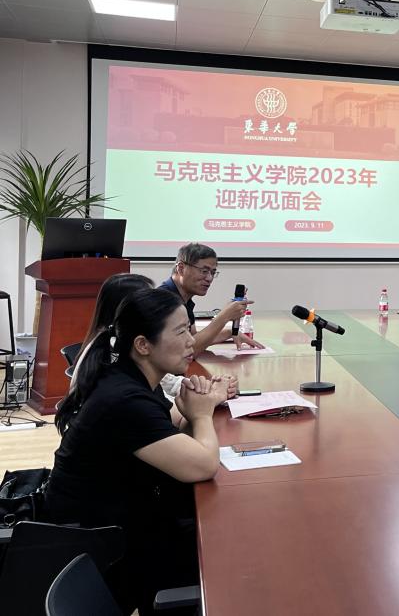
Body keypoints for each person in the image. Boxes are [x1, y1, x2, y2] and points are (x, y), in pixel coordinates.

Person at [47, 288, 229, 614]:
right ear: (143, 345)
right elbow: (202, 465)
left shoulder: (130, 377)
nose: (192, 341)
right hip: (108, 546)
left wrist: (195, 407)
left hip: (123, 524)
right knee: (227, 550)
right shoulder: (124, 399)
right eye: (181, 332)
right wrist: (202, 415)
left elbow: (168, 431)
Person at [74, 272, 238, 402]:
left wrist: (207, 388)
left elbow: (167, 384)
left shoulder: (116, 343)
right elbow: (165, 408)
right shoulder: (116, 357)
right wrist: (211, 397)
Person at [161, 242, 261, 353]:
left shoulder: (185, 299)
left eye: (213, 272)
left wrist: (228, 333)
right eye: (204, 271)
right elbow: (184, 351)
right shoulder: (164, 301)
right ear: (181, 268)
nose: (209, 278)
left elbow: (192, 338)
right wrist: (224, 317)